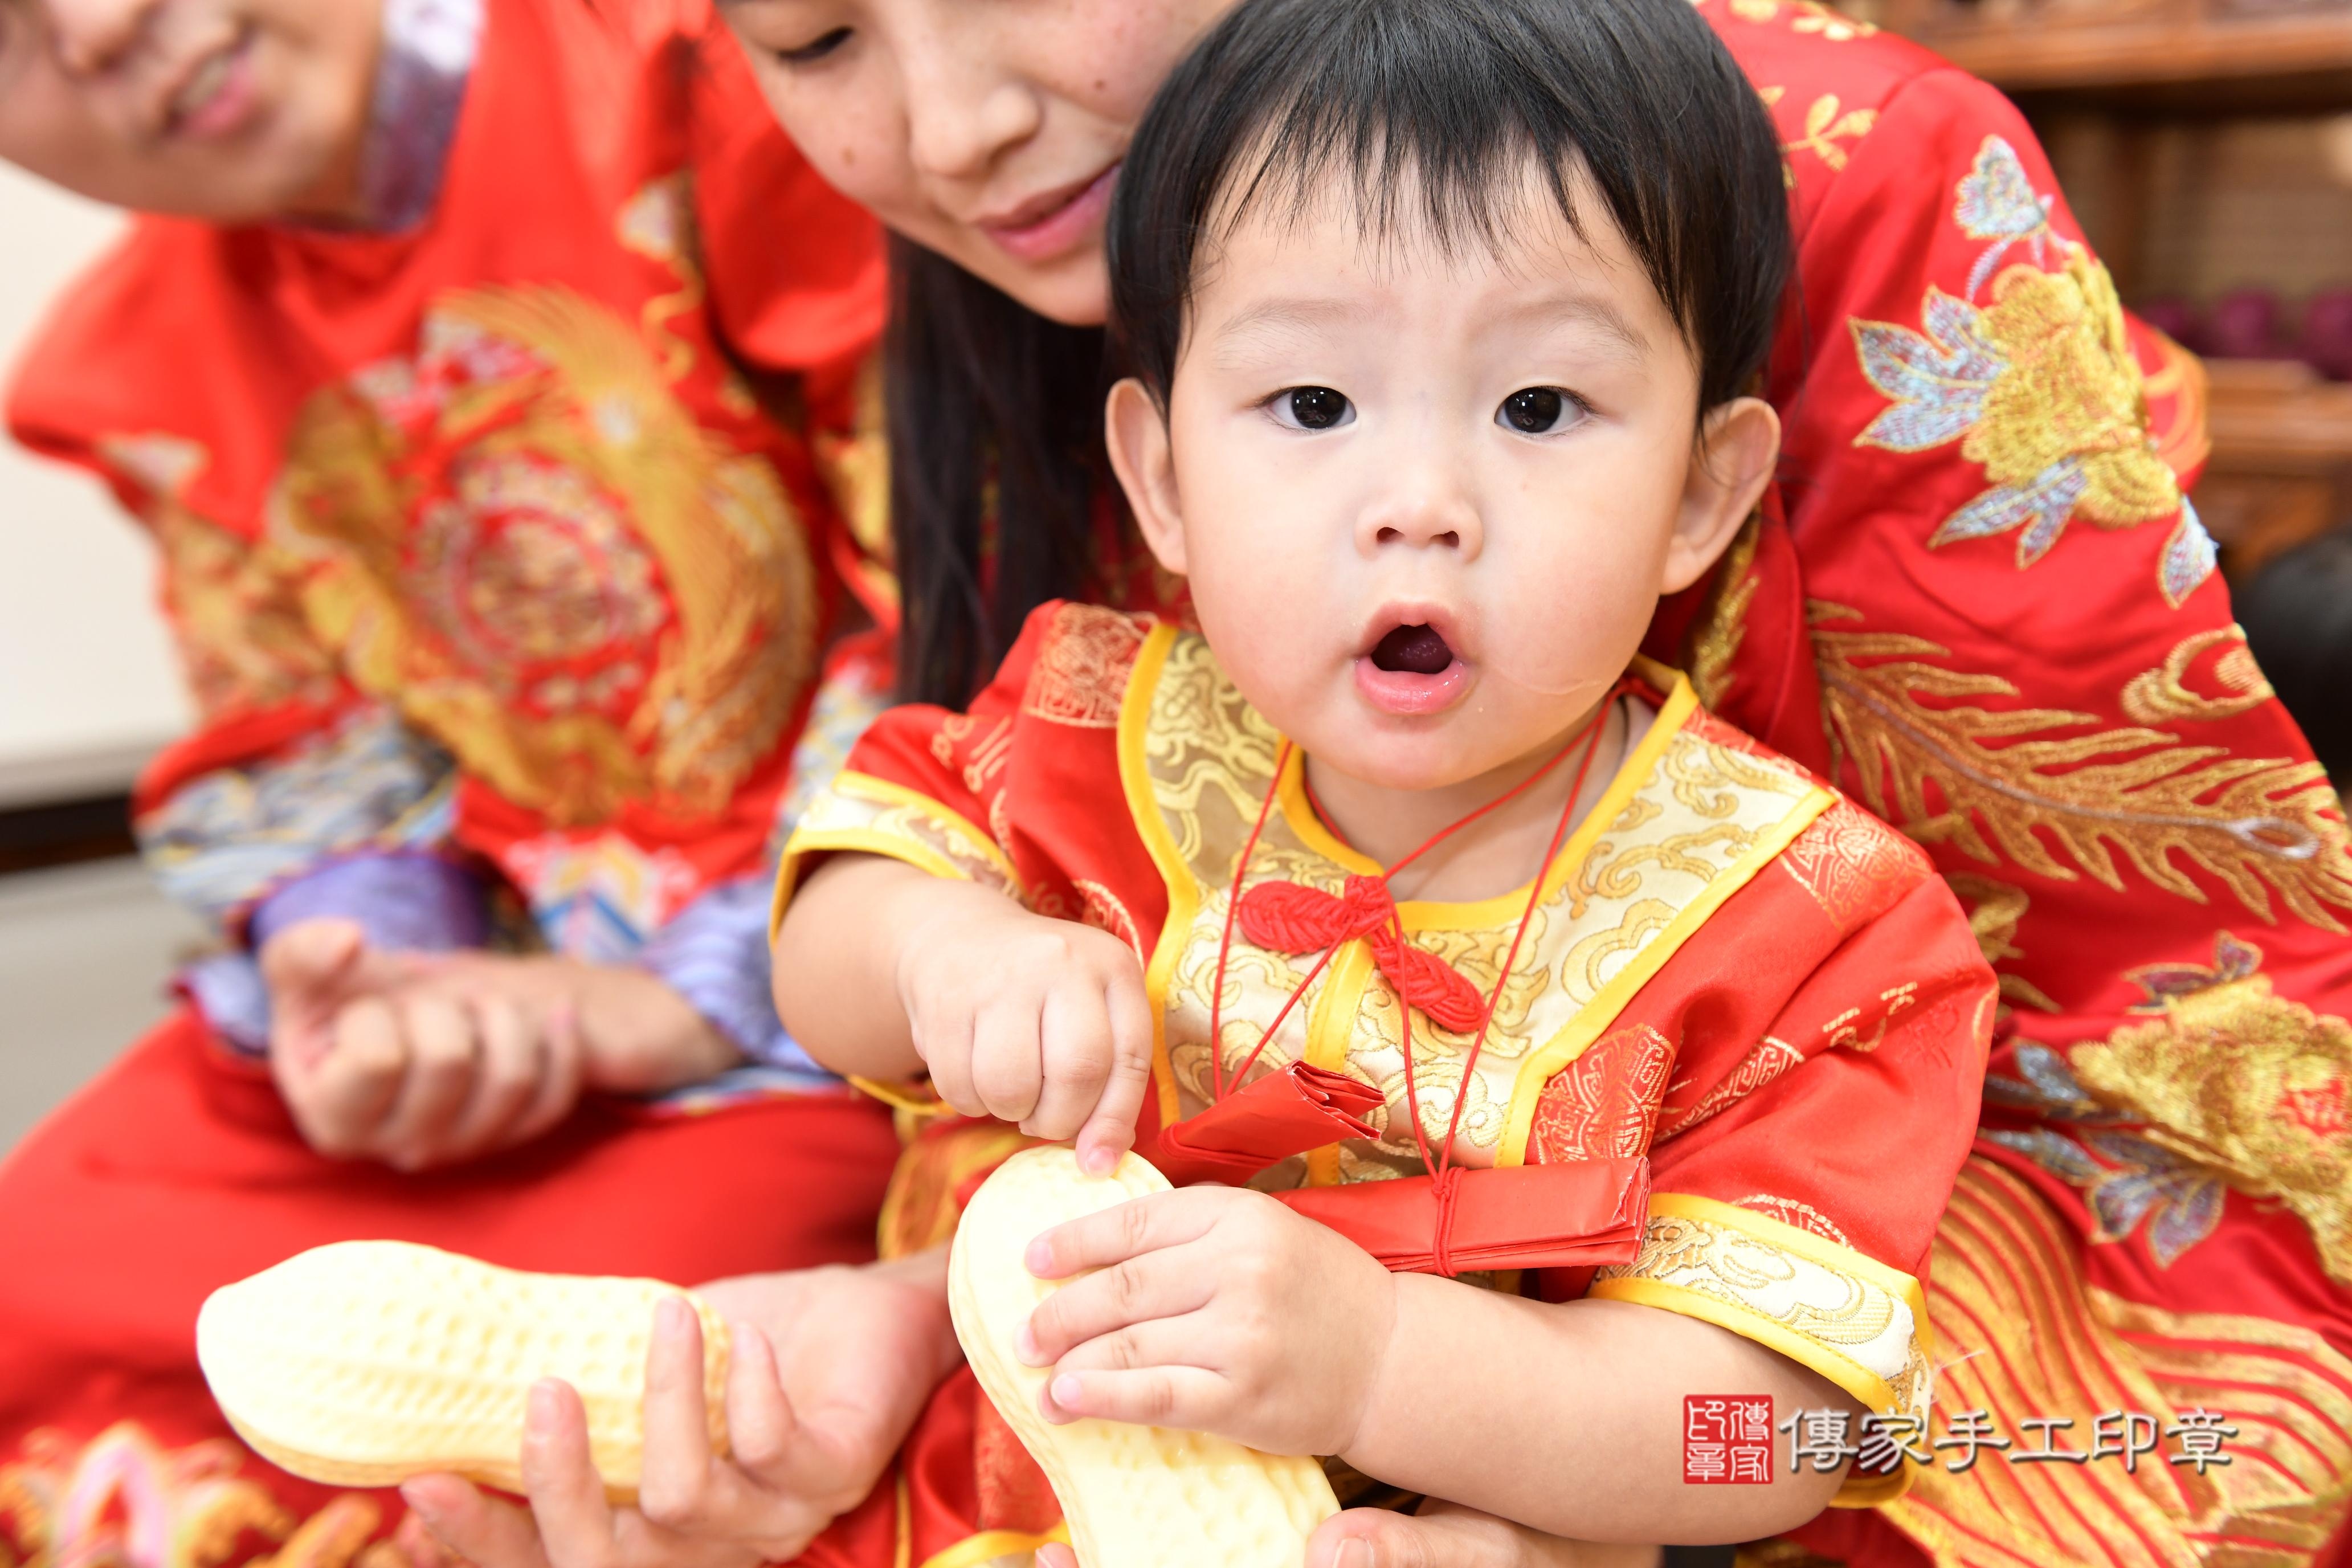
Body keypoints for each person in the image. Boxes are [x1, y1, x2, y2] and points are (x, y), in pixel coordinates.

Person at [410, 0, 2352, 1564]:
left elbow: (1784, 1416)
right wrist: (927, 1284)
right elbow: (871, 905)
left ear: (1708, 488)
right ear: (1160, 474)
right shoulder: (1108, 713)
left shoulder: (1813, 922)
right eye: (816, 39)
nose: (950, 130)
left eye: (1540, 410)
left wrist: (1466, 1420)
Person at [0, 1, 930, 1561]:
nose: (99, 28)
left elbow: (971, 597)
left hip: (852, 960)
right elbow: (296, 729)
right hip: (504, 971)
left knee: (640, 1356)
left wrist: (692, 995)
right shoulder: (134, 366)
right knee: (41, 1273)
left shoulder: (721, 83)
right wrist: (372, 975)